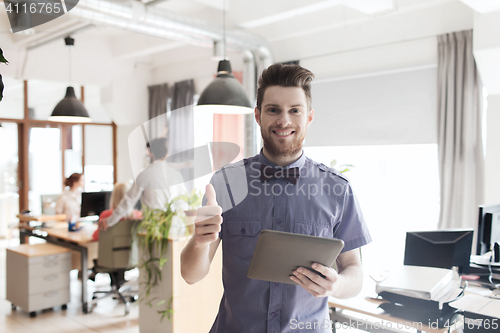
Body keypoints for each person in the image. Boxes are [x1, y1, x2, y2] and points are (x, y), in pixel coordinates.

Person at [180, 64, 372, 332]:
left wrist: (337, 285)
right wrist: (199, 241)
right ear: (258, 115)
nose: (284, 120)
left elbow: (355, 271)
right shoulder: (226, 184)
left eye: (295, 110)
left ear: (309, 117)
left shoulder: (337, 189)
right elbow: (190, 275)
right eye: (273, 110)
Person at [98, 137, 186, 231]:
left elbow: (128, 201)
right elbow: (184, 201)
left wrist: (109, 221)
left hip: (152, 229)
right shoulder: (176, 174)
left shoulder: (144, 175)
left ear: (150, 153)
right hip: (175, 227)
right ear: (167, 154)